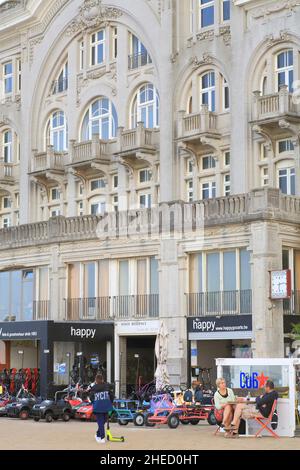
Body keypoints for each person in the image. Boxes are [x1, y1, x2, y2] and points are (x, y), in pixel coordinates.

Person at [90, 373, 114, 444]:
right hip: (106, 406)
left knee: (101, 422)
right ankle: (102, 437)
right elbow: (111, 395)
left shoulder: (94, 387)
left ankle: (98, 435)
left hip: (98, 407)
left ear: (96, 380)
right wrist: (110, 402)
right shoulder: (106, 386)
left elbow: (91, 397)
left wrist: (94, 403)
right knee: (103, 421)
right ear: (102, 379)